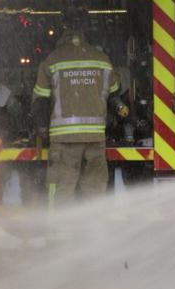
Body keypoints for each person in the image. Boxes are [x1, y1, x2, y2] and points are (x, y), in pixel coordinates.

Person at [34, 23, 126, 203]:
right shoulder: (101, 59)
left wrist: (41, 128)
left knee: (62, 187)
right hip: (95, 137)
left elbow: (40, 100)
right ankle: (93, 227)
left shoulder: (53, 59)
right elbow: (116, 90)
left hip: (63, 139)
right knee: (95, 188)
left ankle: (60, 228)